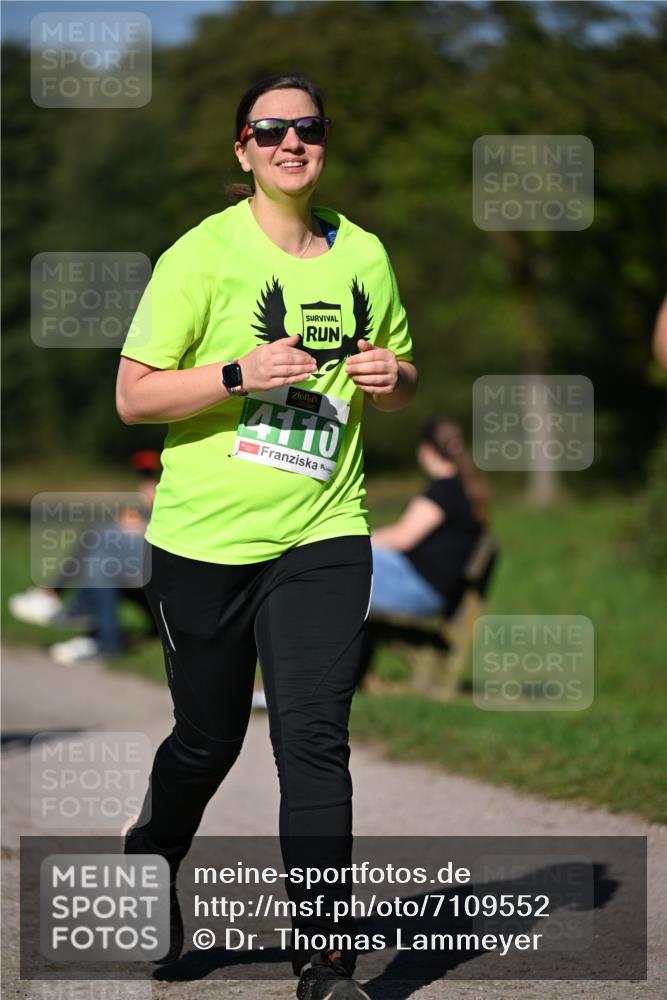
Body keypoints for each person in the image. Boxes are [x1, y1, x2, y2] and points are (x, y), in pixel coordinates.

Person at [115, 74, 417, 1000]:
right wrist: (237, 373)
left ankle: (325, 959)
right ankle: (151, 851)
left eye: (308, 128)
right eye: (271, 129)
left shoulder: (363, 253)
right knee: (207, 741)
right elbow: (134, 396)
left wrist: (392, 377)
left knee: (313, 738)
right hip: (203, 543)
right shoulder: (200, 255)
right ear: (242, 149)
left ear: (324, 144)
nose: (292, 143)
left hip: (324, 530)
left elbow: (402, 373)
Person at [8, 451, 161, 663]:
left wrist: (151, 510)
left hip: (166, 559)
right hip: (152, 552)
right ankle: (79, 610)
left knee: (99, 545)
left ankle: (76, 607)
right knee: (100, 540)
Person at [370, 415, 487, 617]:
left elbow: (402, 538)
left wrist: (350, 541)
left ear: (426, 450)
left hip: (421, 591)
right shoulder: (461, 488)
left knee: (343, 560)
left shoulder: (444, 490)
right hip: (431, 590)